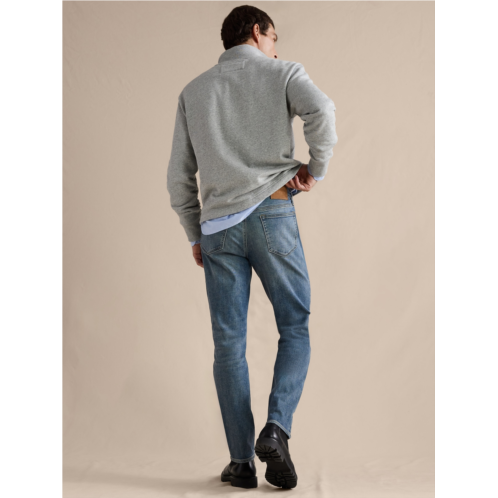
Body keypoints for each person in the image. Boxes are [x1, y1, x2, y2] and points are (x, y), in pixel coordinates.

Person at [167, 5, 338, 490]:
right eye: (273, 38)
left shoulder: (194, 91)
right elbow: (323, 112)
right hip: (272, 215)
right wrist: (315, 169)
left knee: (228, 345)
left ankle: (241, 463)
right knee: (294, 327)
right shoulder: (282, 72)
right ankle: (276, 429)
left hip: (218, 230)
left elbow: (178, 176)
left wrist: (194, 233)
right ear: (257, 31)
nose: (276, 49)